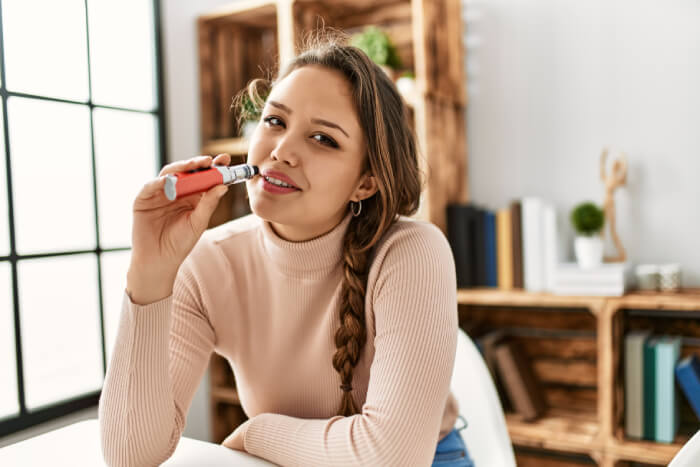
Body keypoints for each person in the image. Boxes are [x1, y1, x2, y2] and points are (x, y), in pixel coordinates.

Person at [98, 30, 473, 467]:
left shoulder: (411, 252)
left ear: (365, 182)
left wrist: (258, 432)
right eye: (275, 121)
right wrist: (150, 273)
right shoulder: (208, 262)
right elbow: (128, 455)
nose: (281, 151)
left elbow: (390, 457)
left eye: (323, 139)